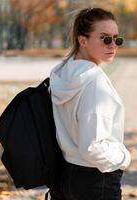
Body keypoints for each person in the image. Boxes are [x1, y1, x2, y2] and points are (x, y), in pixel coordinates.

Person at [48, 7, 131, 200]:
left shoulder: (62, 74)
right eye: (105, 38)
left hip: (64, 175)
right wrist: (124, 158)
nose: (113, 45)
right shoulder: (94, 83)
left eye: (116, 39)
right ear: (82, 40)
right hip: (95, 180)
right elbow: (92, 146)